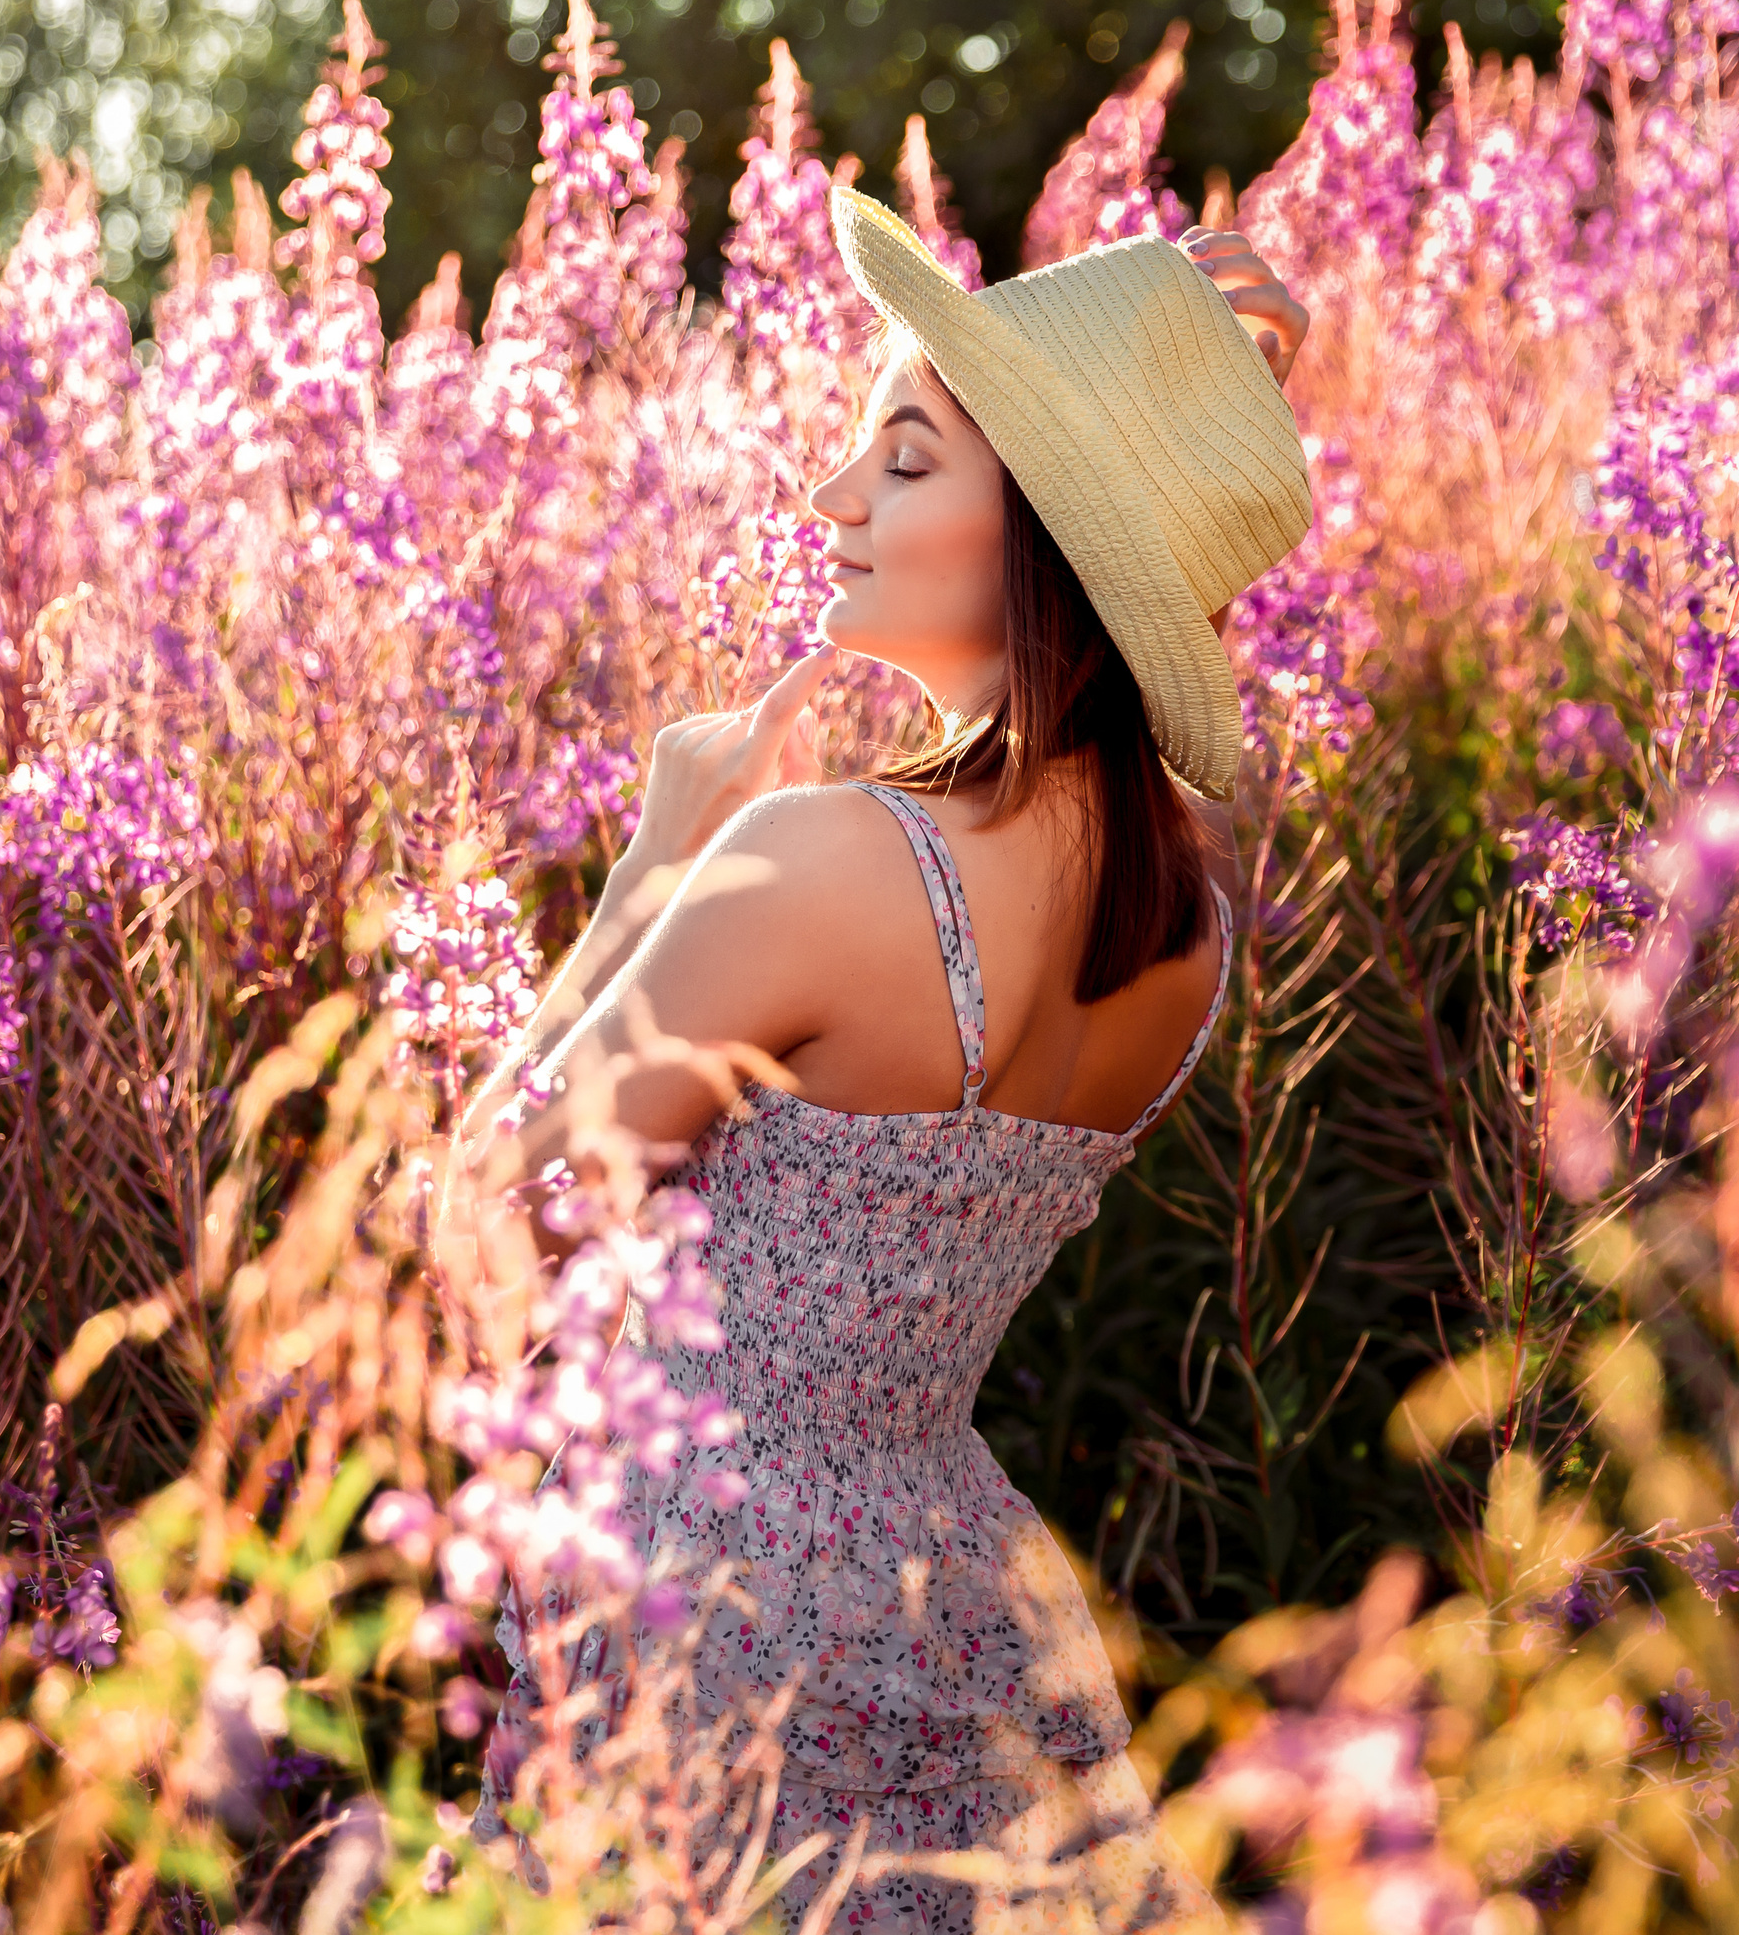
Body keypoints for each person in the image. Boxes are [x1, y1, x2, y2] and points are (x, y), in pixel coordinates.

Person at [476, 188, 1315, 1930]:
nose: (833, 497)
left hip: (706, 1614)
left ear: (1050, 540)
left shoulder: (829, 861)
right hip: (961, 1605)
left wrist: (646, 875)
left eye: (908, 460)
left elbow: (485, 1207)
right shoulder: (1189, 936)